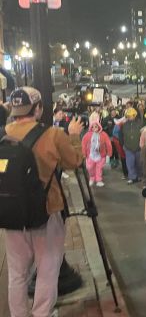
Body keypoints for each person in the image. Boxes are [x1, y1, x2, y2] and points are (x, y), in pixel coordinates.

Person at [2, 87, 84, 317]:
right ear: (38, 108)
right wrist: (74, 135)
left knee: (17, 274)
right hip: (46, 211)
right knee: (48, 270)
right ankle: (42, 314)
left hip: (11, 214)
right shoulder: (52, 135)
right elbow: (74, 161)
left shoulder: (2, 134)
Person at [82, 116, 112, 187]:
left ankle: (99, 180)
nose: (94, 128)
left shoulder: (104, 134)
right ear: (91, 127)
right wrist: (84, 154)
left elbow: (108, 144)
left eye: (96, 126)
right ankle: (92, 178)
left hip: (101, 155)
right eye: (93, 127)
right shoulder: (87, 135)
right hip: (90, 155)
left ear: (99, 126)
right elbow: (83, 144)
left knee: (99, 168)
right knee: (89, 168)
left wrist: (109, 154)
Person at [121, 108, 144, 184]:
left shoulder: (140, 124)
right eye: (129, 115)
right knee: (130, 163)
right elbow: (121, 135)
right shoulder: (124, 125)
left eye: (132, 115)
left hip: (138, 148)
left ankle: (139, 176)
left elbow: (143, 135)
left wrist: (142, 145)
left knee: (139, 163)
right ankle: (132, 177)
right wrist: (123, 145)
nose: (130, 117)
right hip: (128, 148)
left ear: (135, 115)